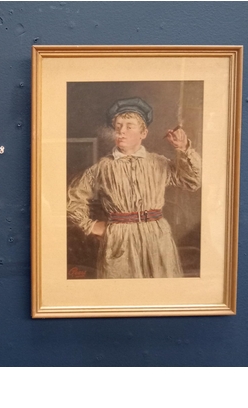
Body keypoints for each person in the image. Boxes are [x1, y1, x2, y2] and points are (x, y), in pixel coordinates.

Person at [67, 97, 201, 279]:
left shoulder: (159, 163)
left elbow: (193, 181)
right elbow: (73, 199)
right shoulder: (102, 167)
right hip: (119, 239)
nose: (121, 131)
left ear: (143, 133)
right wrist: (90, 226)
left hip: (157, 237)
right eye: (118, 127)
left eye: (129, 126)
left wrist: (184, 149)